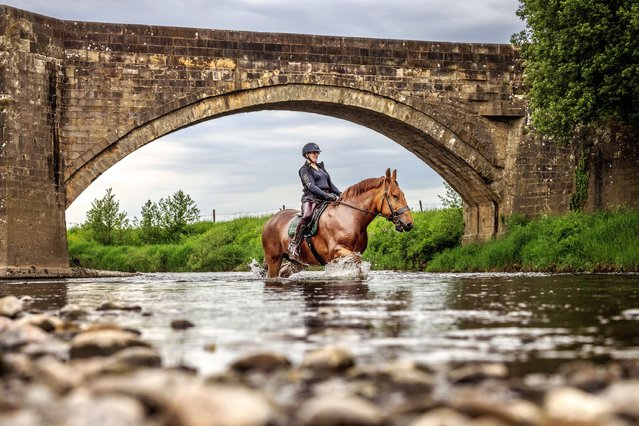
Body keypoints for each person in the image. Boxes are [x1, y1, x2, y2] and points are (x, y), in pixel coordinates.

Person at [288, 142, 341, 258]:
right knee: (307, 216)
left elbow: (330, 185)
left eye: (317, 153)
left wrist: (341, 194)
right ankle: (294, 243)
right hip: (311, 199)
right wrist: (327, 196)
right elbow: (311, 186)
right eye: (313, 153)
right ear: (306, 154)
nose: (316, 154)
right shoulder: (304, 170)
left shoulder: (321, 168)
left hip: (325, 199)